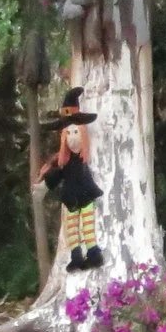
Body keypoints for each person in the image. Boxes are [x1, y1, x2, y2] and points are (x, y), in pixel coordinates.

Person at [41, 88, 104, 271]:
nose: (72, 137)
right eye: (68, 134)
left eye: (75, 133)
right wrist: (45, 182)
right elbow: (58, 173)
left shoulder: (82, 163)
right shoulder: (65, 163)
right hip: (69, 196)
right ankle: (76, 256)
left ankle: (93, 253)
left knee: (87, 224)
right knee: (71, 227)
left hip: (85, 193)